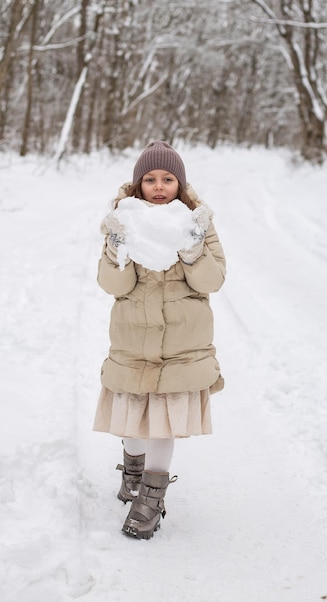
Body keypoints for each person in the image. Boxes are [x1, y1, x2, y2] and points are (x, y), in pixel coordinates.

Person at [93, 140, 226, 540]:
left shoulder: (196, 222)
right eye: (149, 179)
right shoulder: (124, 220)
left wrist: (193, 251)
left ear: (179, 184)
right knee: (133, 418)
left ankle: (152, 497)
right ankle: (133, 473)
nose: (159, 185)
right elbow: (112, 284)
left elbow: (213, 280)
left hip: (182, 342)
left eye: (168, 179)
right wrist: (118, 250)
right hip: (134, 336)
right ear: (138, 185)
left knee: (163, 422)